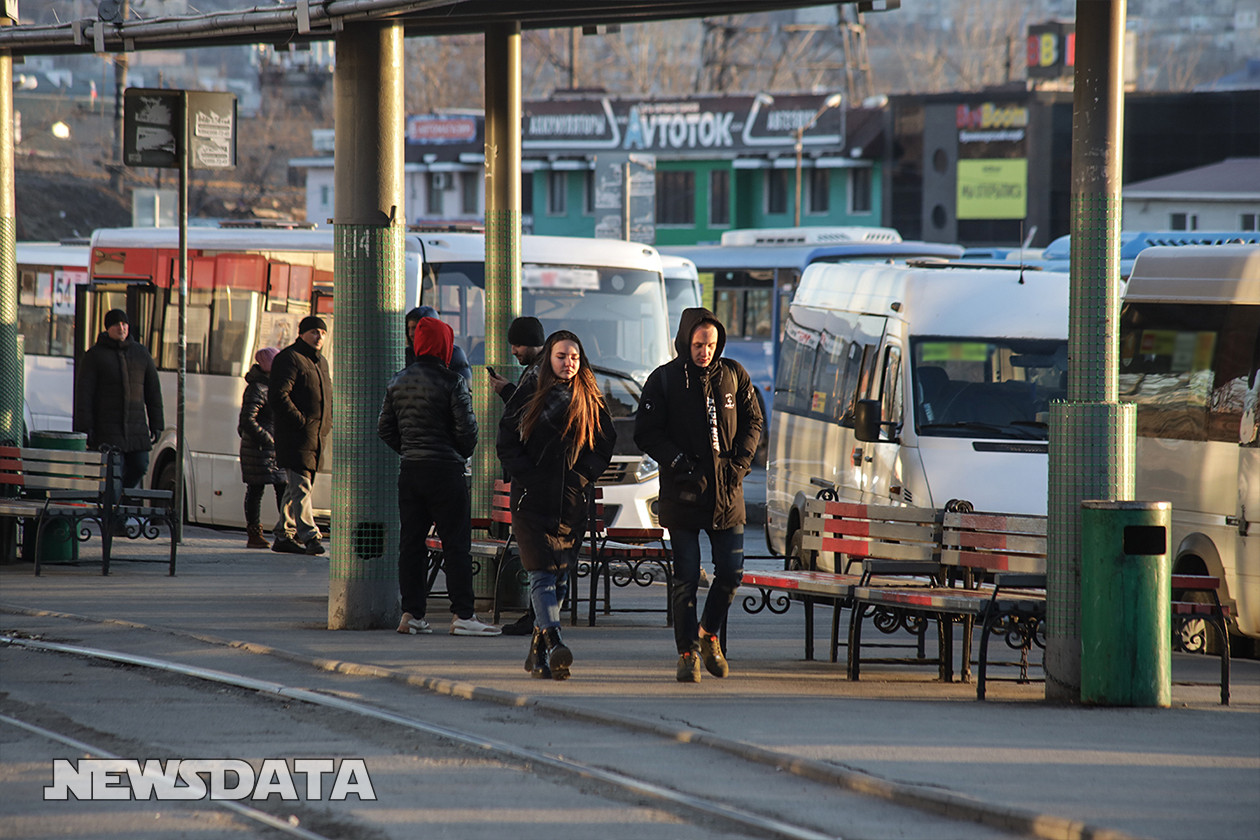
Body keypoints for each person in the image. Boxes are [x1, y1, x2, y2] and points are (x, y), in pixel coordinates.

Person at [634, 307, 763, 683]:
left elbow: (754, 420)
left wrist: (740, 463)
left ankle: (709, 635)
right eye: (697, 344)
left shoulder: (734, 374)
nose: (705, 351)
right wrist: (677, 461)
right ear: (684, 342)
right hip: (683, 495)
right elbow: (647, 431)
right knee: (687, 576)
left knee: (731, 574)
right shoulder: (665, 380)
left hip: (728, 493)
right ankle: (687, 652)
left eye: (710, 344)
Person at [497, 330, 615, 680]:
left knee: (561, 579)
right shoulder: (528, 393)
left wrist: (581, 477)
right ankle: (555, 640)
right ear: (549, 357)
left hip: (570, 502)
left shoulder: (589, 396)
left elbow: (605, 442)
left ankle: (540, 655)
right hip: (532, 501)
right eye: (561, 356)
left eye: (574, 357)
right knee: (542, 575)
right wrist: (530, 479)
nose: (568, 363)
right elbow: (507, 442)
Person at [379, 317, 500, 637]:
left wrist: (409, 449)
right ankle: (463, 615)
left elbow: (385, 429)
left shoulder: (397, 381)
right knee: (456, 545)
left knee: (411, 545)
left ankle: (412, 614)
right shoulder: (453, 382)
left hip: (411, 472)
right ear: (445, 344)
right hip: (446, 472)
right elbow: (468, 431)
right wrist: (457, 451)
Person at [487, 315, 547, 637]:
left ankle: (540, 618)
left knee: (539, 552)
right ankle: (539, 614)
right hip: (531, 474)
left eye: (517, 344)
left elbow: (531, 411)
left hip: (535, 477)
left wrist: (507, 389)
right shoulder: (536, 370)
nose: (513, 350)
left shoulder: (541, 372)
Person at [73, 308, 164, 490]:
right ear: (108, 328)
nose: (121, 327)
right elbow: (84, 395)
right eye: (116, 324)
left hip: (136, 430)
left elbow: (153, 392)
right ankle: (114, 516)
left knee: (140, 466)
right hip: (107, 431)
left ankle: (119, 503)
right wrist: (85, 428)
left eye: (124, 324)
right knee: (113, 473)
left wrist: (157, 424)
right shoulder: (94, 356)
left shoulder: (141, 354)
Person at [269, 315, 332, 556]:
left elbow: (326, 396)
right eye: (315, 332)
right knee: (302, 485)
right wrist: (301, 421)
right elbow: (279, 396)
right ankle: (311, 536)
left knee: (296, 487)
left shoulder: (320, 362)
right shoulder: (289, 358)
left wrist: (326, 423)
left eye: (323, 333)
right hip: (296, 435)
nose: (319, 337)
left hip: (316, 436)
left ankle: (283, 534)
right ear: (302, 333)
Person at [238, 347, 288, 550]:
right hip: (260, 449)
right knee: (257, 490)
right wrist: (269, 440)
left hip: (272, 448)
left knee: (282, 489)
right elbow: (247, 420)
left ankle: (286, 531)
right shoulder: (259, 388)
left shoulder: (272, 386)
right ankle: (255, 534)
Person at [405, 306, 472, 383]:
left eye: (415, 328)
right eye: (408, 328)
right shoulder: (407, 354)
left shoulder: (454, 354)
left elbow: (465, 386)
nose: (411, 334)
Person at [487, 315, 546, 403]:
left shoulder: (544, 370)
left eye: (518, 345)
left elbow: (530, 408)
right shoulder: (535, 366)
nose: (513, 351)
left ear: (533, 343)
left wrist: (507, 391)